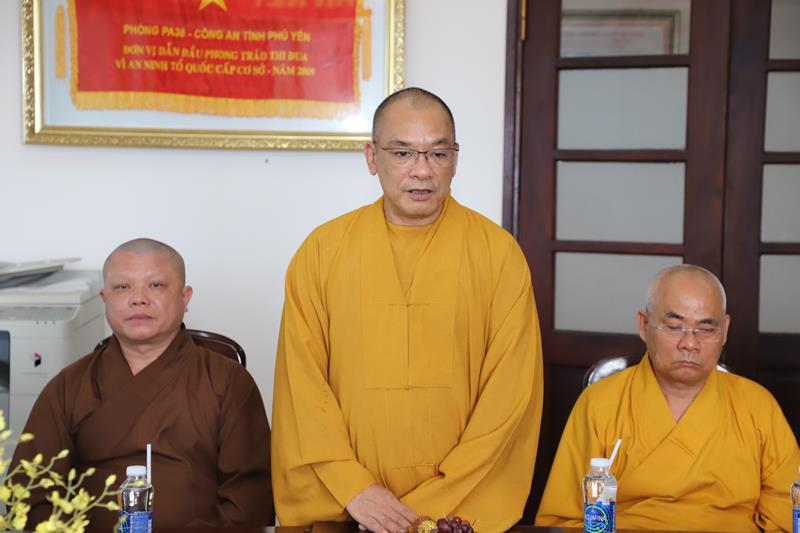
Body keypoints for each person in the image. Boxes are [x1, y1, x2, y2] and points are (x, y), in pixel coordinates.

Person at [271, 87, 544, 533]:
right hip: (350, 509)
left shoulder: (498, 255)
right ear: (372, 157)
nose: (422, 171)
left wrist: (428, 508)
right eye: (402, 153)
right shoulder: (323, 251)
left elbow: (510, 398)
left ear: (455, 159)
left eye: (438, 154)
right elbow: (301, 385)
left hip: (460, 512)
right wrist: (354, 489)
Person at [11, 238, 273, 530]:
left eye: (156, 285)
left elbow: (251, 497)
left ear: (185, 297)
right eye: (123, 287)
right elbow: (29, 493)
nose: (138, 298)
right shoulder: (68, 386)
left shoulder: (227, 381)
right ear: (104, 298)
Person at [536, 264, 800, 532]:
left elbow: (788, 515)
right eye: (674, 326)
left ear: (725, 330)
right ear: (644, 325)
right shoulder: (600, 403)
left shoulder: (757, 405)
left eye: (706, 329)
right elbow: (564, 520)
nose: (690, 344)